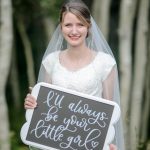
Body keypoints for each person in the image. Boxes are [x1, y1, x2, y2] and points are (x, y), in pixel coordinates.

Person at [24, 0, 125, 150]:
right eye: (68, 25)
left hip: (89, 144)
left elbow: (107, 114)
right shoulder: (51, 61)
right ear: (61, 27)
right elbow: (44, 111)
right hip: (56, 143)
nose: (74, 31)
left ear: (88, 26)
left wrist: (109, 144)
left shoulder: (105, 63)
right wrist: (32, 104)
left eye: (80, 24)